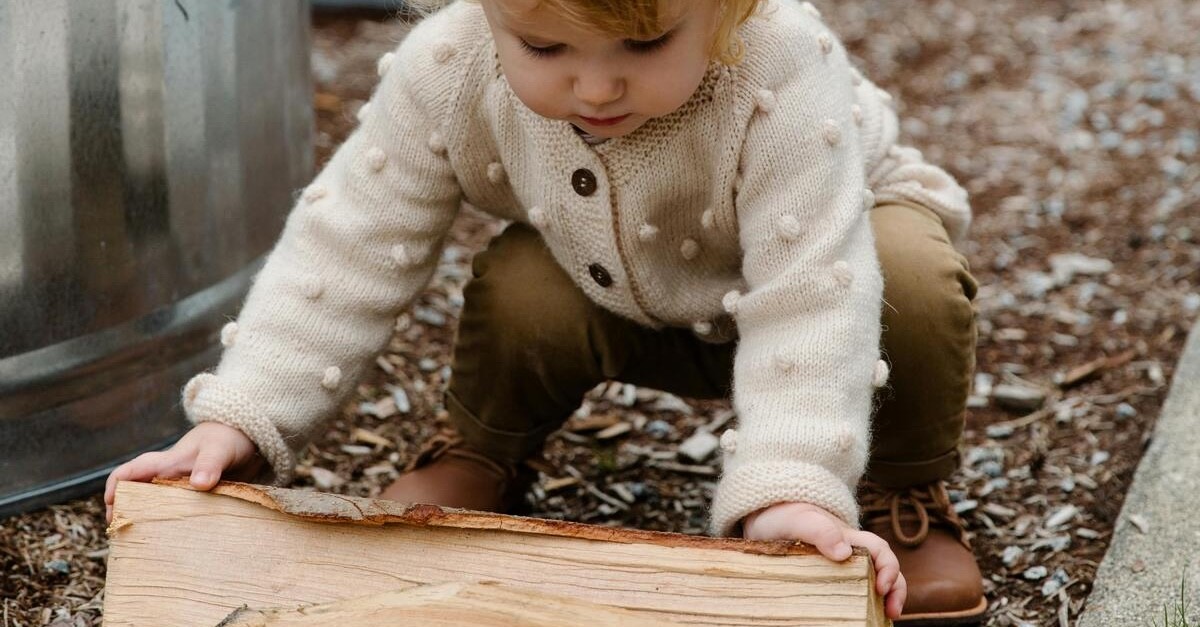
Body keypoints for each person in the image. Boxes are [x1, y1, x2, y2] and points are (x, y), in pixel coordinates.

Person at [105, 0, 986, 621]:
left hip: (837, 300)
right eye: (543, 47)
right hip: (619, 289)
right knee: (520, 280)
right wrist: (242, 417)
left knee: (907, 273)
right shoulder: (451, 64)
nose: (595, 88)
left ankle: (903, 488)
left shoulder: (781, 62)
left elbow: (811, 294)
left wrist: (792, 487)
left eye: (642, 48)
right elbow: (351, 240)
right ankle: (482, 448)